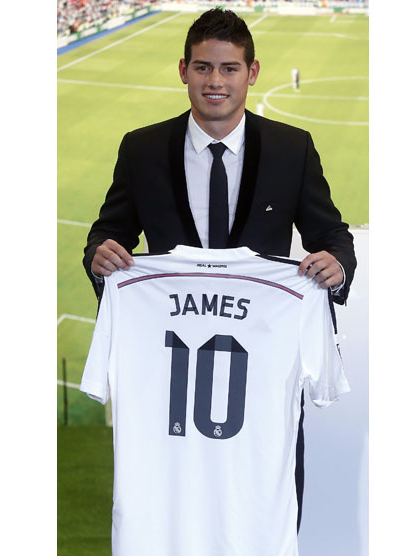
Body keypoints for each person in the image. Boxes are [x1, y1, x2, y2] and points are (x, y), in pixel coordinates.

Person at [82, 7, 356, 532]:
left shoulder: (291, 149)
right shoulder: (141, 149)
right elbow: (108, 233)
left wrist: (336, 265)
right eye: (204, 67)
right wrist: (102, 257)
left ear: (252, 73)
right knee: (169, 504)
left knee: (265, 502)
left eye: (229, 69)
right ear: (182, 69)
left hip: (262, 372)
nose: (215, 82)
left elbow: (332, 236)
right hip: (170, 375)